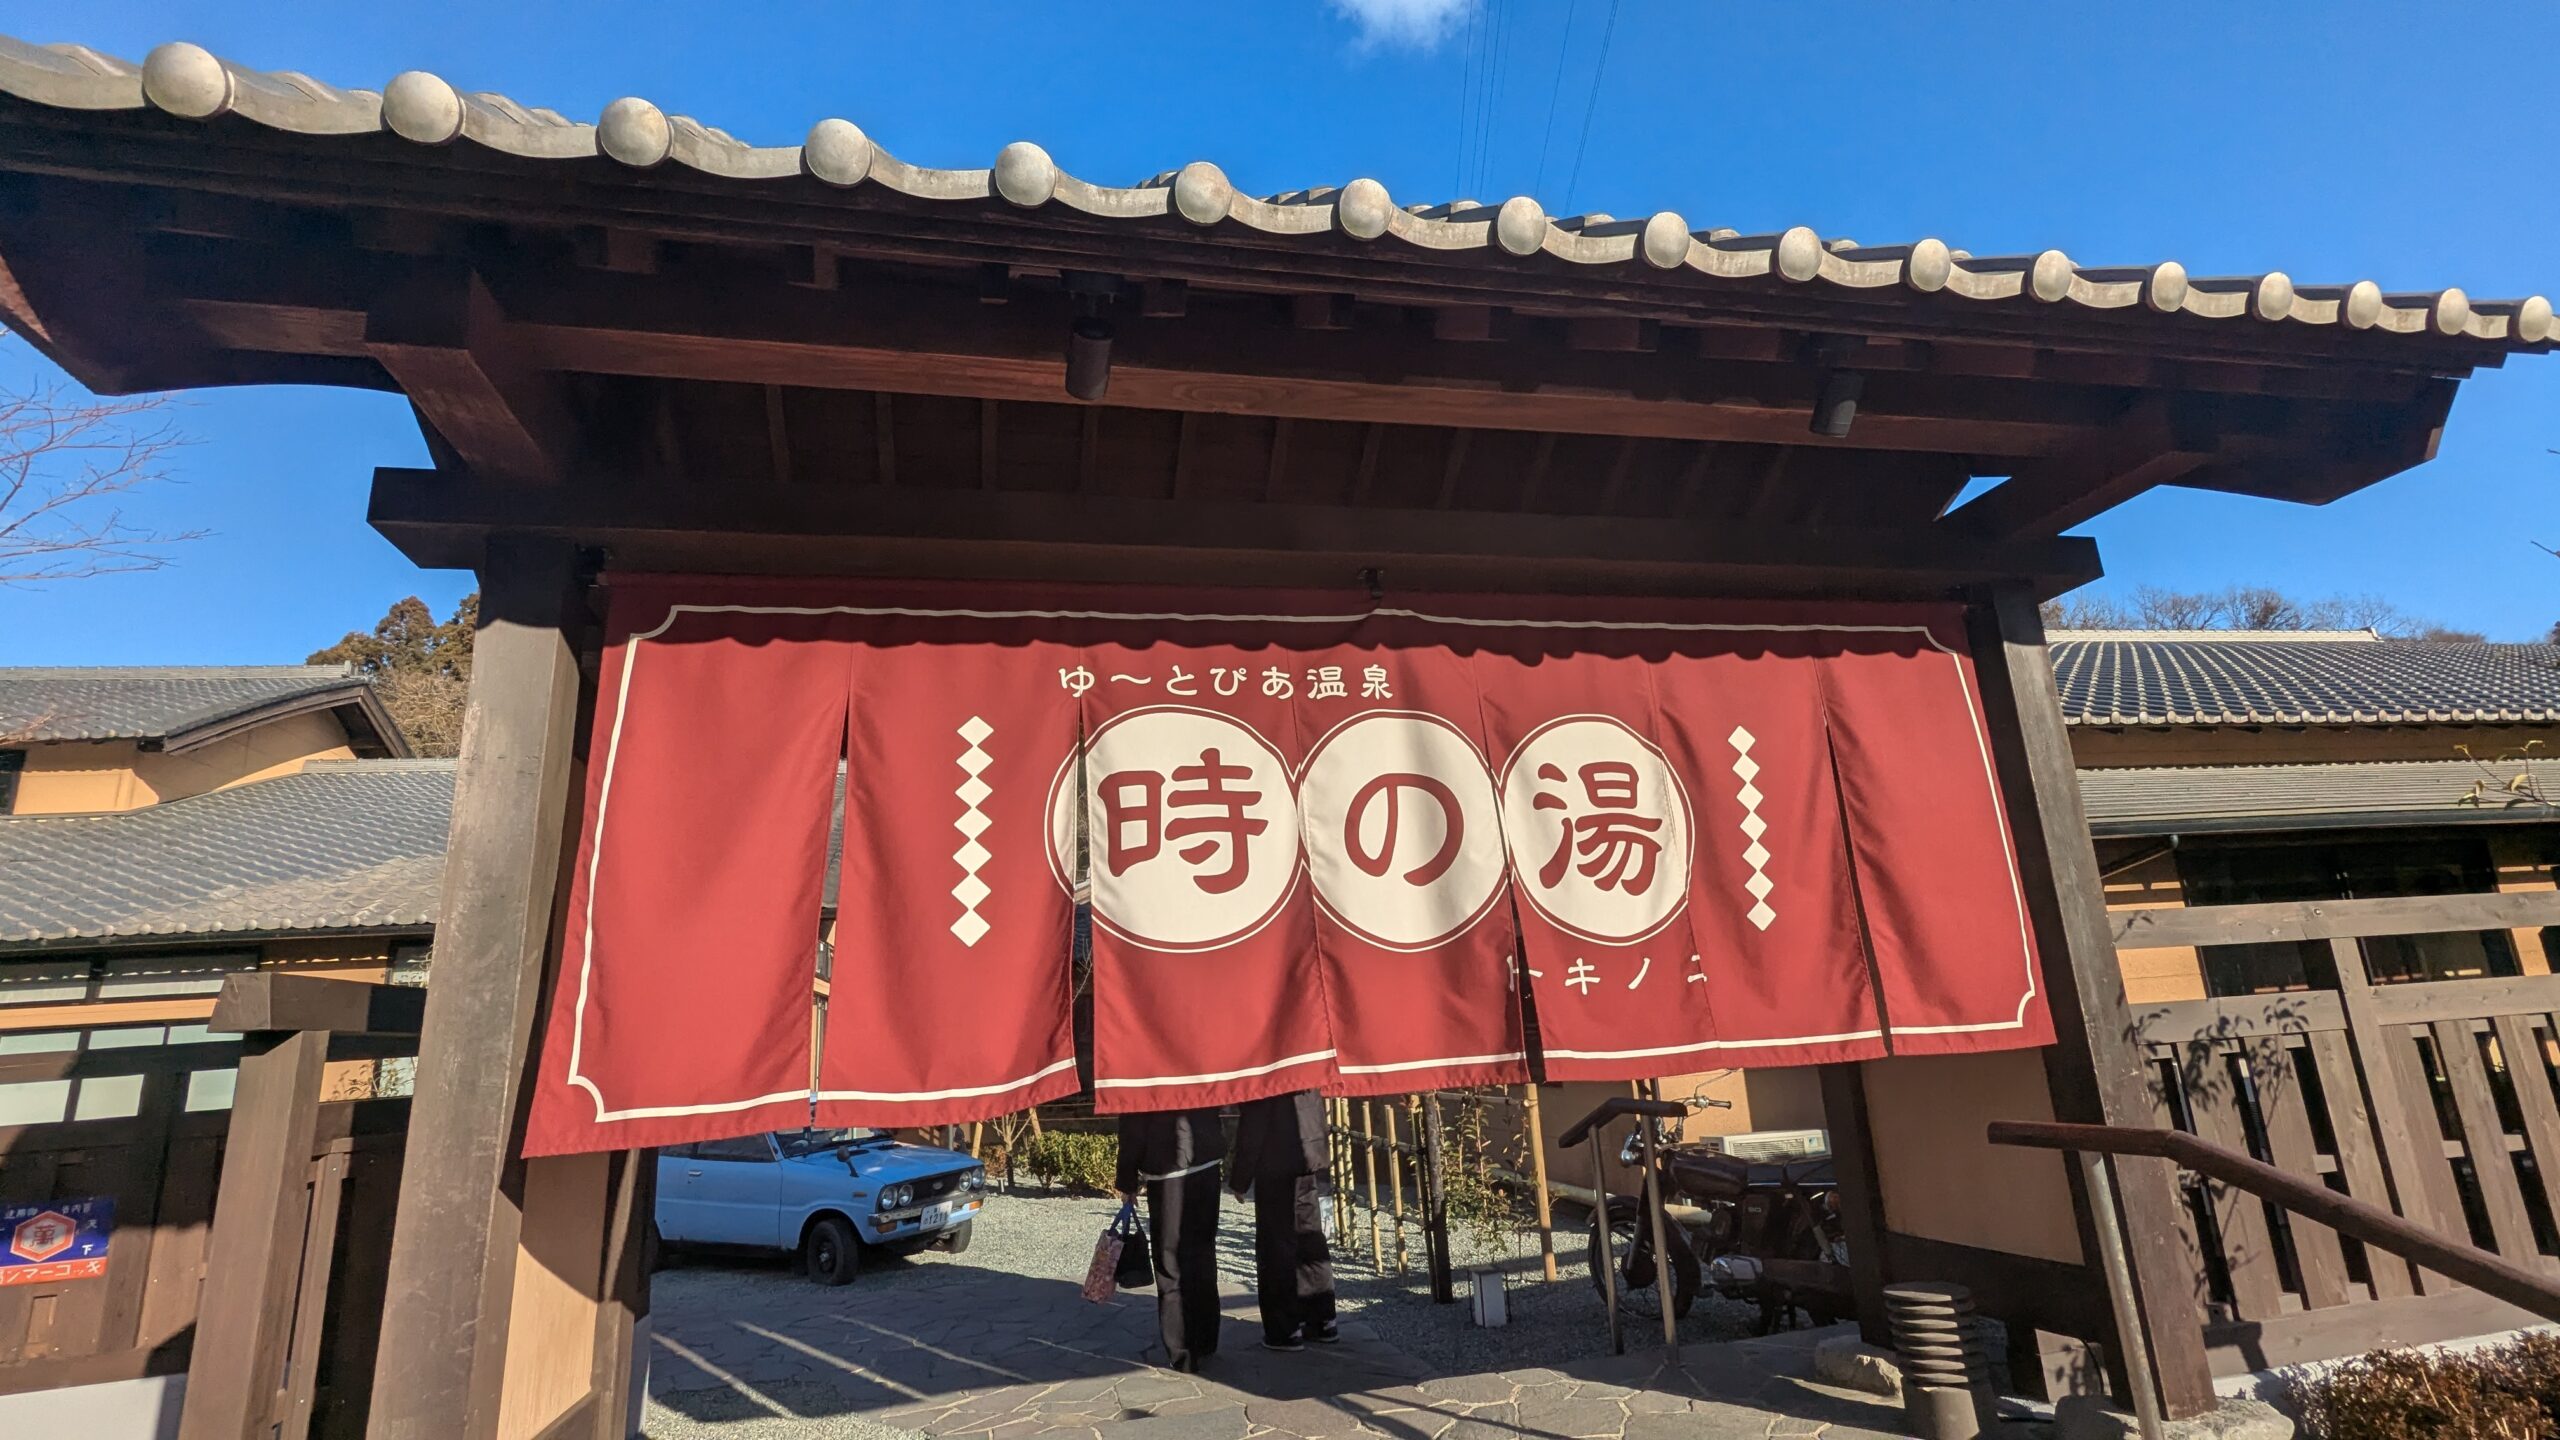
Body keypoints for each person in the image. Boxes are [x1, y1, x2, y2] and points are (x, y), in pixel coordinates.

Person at [1115, 1106, 1226, 1371]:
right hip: (1206, 1159)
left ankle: (1183, 1349)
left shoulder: (1143, 1079)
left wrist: (1127, 1179)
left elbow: (1133, 1123)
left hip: (1166, 1166)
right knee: (1202, 1253)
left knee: (1171, 1260)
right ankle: (1206, 1338)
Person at [1230, 1090, 1337, 1350]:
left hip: (1275, 1160)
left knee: (1276, 1244)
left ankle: (1284, 1328)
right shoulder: (1305, 1070)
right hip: (1308, 1156)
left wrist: (1240, 1177)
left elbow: (1254, 1123)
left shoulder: (1269, 1073)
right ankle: (1321, 1320)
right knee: (1309, 1237)